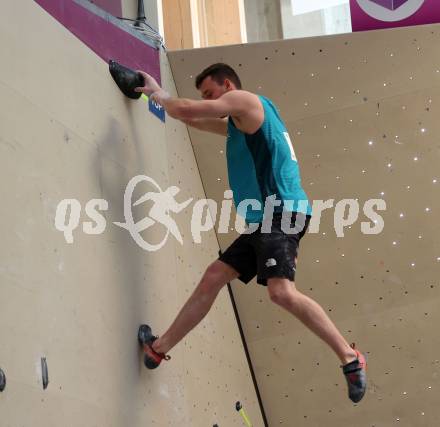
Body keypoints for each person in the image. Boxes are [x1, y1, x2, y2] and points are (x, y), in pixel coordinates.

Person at [134, 63, 367, 403]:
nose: (209, 100)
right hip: (266, 220)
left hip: (283, 211)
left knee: (281, 292)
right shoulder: (240, 124)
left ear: (228, 85)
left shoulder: (246, 101)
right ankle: (158, 349)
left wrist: (163, 96)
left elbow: (186, 108)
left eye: (211, 93)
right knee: (214, 276)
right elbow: (190, 117)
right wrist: (154, 94)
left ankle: (350, 358)